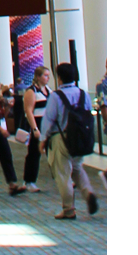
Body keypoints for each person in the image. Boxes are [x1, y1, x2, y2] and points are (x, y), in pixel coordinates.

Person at [43, 63, 98, 220]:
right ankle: (88, 193)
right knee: (77, 168)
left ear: (59, 78)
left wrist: (43, 138)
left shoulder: (56, 96)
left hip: (62, 137)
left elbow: (49, 119)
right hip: (80, 138)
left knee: (63, 173)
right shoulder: (83, 94)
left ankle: (68, 209)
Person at [18, 66, 50, 192]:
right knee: (34, 153)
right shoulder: (31, 91)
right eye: (45, 75)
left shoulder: (48, 90)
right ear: (38, 77)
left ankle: (65, 177)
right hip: (37, 123)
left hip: (48, 125)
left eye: (48, 75)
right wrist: (35, 129)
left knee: (53, 152)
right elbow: (29, 111)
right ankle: (29, 180)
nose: (47, 78)